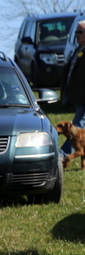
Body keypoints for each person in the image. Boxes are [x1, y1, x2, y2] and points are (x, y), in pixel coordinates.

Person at [61, 21, 85, 161]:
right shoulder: (79, 49)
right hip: (78, 97)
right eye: (76, 32)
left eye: (80, 32)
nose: (76, 35)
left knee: (76, 128)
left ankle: (61, 156)